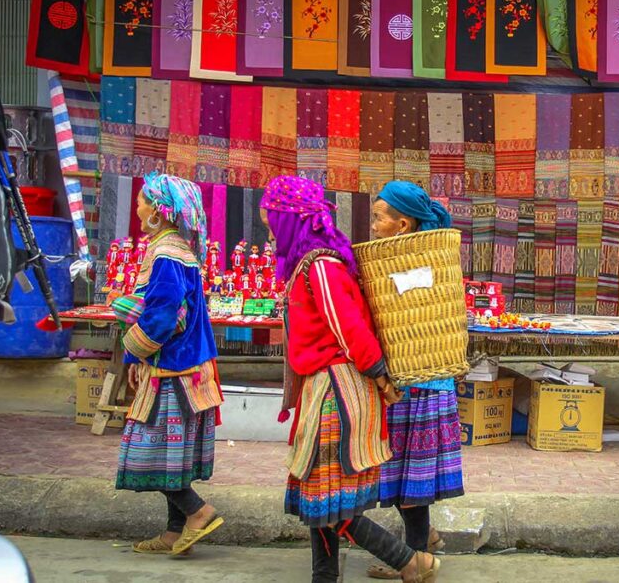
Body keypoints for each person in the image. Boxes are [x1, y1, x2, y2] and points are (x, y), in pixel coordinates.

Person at [261, 176, 441, 583]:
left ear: (291, 221)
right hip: (324, 388)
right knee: (324, 499)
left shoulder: (322, 266)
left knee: (327, 501)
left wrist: (379, 375)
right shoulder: (314, 264)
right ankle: (326, 576)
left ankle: (410, 561)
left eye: (272, 222)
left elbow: (349, 328)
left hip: (336, 392)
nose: (271, 232)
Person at [115, 173, 224, 557]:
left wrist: (134, 348)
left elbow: (162, 316)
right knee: (172, 456)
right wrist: (137, 358)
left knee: (152, 453)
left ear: (160, 211)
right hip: (185, 368)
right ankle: (173, 533)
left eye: (143, 201)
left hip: (172, 370)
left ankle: (198, 512)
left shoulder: (165, 254)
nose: (138, 207)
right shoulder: (179, 250)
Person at [365, 181, 465, 580]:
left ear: (402, 224)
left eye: (378, 217)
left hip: (419, 383)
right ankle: (426, 538)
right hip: (419, 381)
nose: (372, 225)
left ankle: (416, 556)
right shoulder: (417, 256)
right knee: (409, 475)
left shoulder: (415, 260)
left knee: (412, 479)